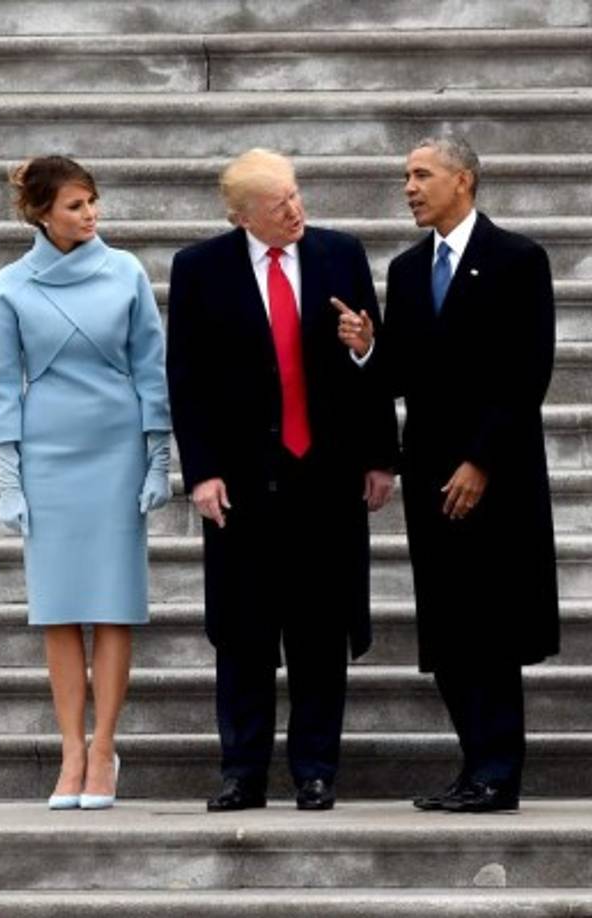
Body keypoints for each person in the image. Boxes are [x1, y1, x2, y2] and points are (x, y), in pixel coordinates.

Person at [167, 148, 398, 812]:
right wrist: (202, 471)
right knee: (243, 635)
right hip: (241, 484)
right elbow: (187, 378)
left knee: (321, 633)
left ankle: (316, 769)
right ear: (242, 216)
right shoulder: (200, 268)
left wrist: (380, 453)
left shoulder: (339, 254)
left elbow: (369, 359)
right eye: (279, 205)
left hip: (324, 480)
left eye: (297, 196)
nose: (296, 211)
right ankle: (242, 771)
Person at [345, 136, 559, 813]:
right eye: (405, 176)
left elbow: (527, 372)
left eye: (421, 175)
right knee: (449, 626)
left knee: (492, 624)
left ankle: (500, 770)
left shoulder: (518, 259)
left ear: (462, 180)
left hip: (496, 471)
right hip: (432, 471)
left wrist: (481, 460)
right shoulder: (408, 270)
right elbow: (405, 374)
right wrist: (367, 348)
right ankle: (473, 765)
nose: (409, 187)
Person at [0, 155, 172, 810]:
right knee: (59, 609)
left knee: (113, 604)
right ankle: (70, 750)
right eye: (74, 206)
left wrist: (158, 458)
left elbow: (151, 368)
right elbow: (2, 387)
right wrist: (10, 478)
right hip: (49, 454)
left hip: (116, 450)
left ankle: (103, 750)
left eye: (93, 202)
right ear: (41, 213)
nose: (89, 215)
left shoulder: (125, 273)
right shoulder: (10, 285)